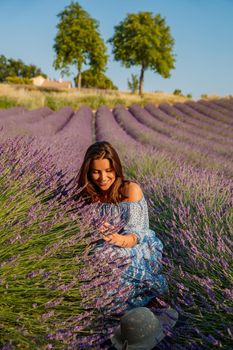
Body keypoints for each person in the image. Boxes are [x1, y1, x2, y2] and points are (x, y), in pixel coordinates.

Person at [74, 141, 168, 310]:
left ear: (116, 169)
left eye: (108, 171)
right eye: (96, 172)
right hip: (101, 247)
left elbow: (136, 236)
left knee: (104, 260)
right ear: (87, 172)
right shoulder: (85, 194)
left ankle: (133, 303)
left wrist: (115, 238)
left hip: (138, 248)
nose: (103, 178)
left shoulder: (130, 190)